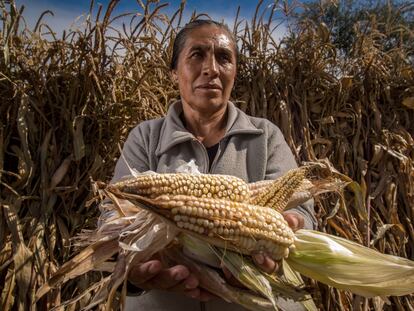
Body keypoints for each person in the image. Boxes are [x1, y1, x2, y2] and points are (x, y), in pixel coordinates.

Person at [111, 19, 317, 311]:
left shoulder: (266, 135)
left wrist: (292, 227)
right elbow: (116, 218)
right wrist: (135, 274)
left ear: (234, 72)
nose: (211, 69)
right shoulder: (145, 137)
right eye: (197, 55)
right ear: (174, 73)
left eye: (224, 58)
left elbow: (300, 210)